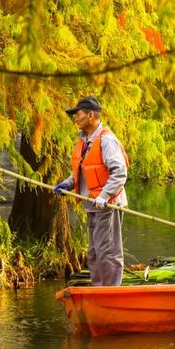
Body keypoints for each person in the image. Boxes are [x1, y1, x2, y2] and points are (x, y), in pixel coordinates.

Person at [52, 96, 128, 287]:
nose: (75, 119)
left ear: (91, 115)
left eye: (77, 114)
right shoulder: (85, 141)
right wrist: (67, 184)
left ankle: (110, 291)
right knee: (94, 252)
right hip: (93, 205)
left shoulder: (106, 140)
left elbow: (119, 173)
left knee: (107, 250)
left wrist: (104, 195)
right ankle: (99, 288)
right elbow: (84, 170)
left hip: (108, 204)